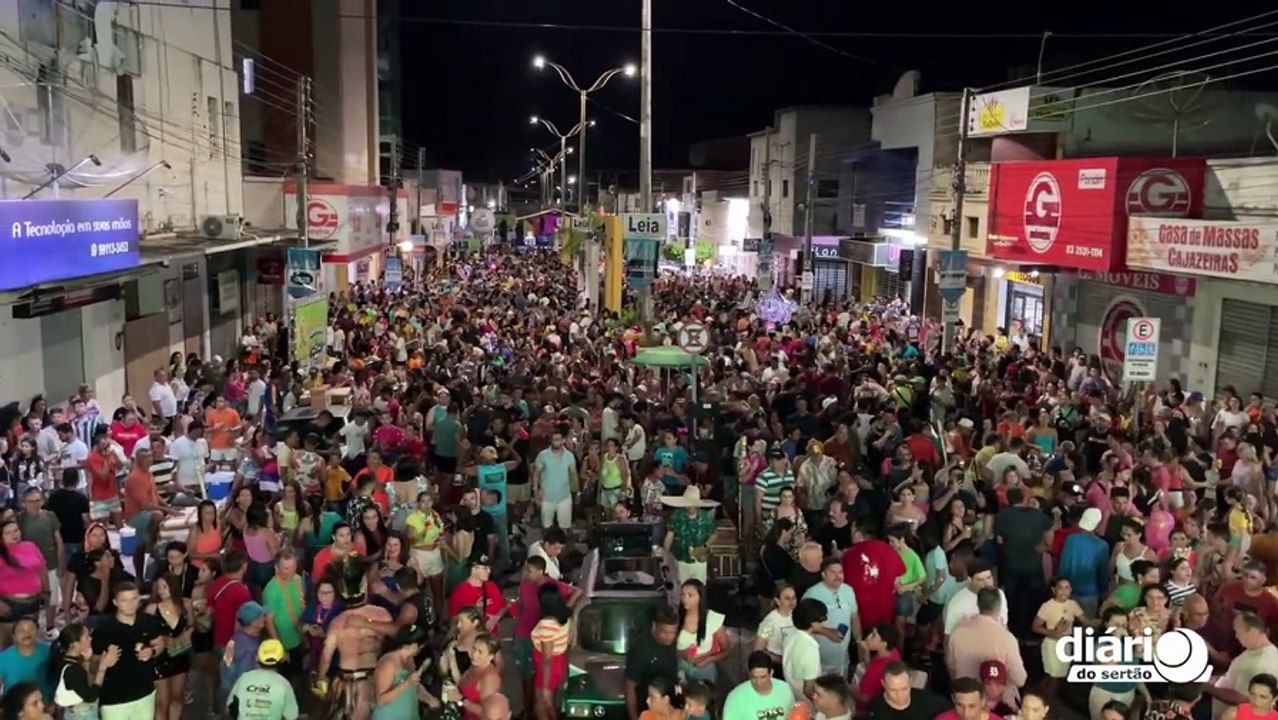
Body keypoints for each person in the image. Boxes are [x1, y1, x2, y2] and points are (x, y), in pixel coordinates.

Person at [316, 556, 397, 720]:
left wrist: (320, 679)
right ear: (364, 586)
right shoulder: (382, 615)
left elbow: (326, 657)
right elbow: (397, 638)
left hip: (346, 684)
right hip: (375, 681)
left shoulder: (337, 623)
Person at [91, 581, 164, 720]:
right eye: (124, 600)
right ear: (115, 602)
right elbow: (91, 665)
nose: (130, 604)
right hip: (114, 700)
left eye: (134, 599)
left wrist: (152, 652)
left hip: (145, 694)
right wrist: (103, 663)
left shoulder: (147, 622)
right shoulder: (104, 630)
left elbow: (160, 644)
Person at [624, 606, 678, 720]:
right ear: (654, 626)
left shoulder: (673, 642)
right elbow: (630, 688)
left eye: (672, 632)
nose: (669, 637)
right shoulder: (641, 650)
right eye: (664, 632)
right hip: (647, 706)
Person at [371, 626, 437, 720]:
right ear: (413, 644)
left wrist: (429, 699)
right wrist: (408, 682)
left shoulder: (410, 661)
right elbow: (381, 700)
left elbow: (415, 688)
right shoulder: (388, 663)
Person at [226, 638, 300, 720]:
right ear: (282, 659)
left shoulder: (244, 678)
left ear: (257, 658)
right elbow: (291, 716)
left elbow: (229, 709)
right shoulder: (284, 684)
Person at [722, 651, 796, 720]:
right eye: (754, 677)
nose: (758, 682)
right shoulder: (735, 698)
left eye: (763, 677)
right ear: (749, 673)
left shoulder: (785, 689)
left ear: (771, 673)